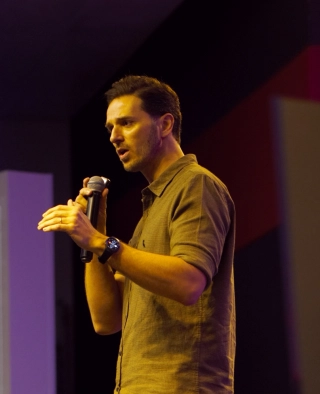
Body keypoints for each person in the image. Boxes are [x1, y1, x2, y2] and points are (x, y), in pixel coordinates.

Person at [38, 75, 235, 393]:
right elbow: (106, 319)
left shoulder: (195, 185)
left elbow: (189, 283)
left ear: (165, 124)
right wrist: (96, 233)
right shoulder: (151, 209)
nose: (114, 137)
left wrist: (101, 242)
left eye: (126, 123)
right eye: (110, 128)